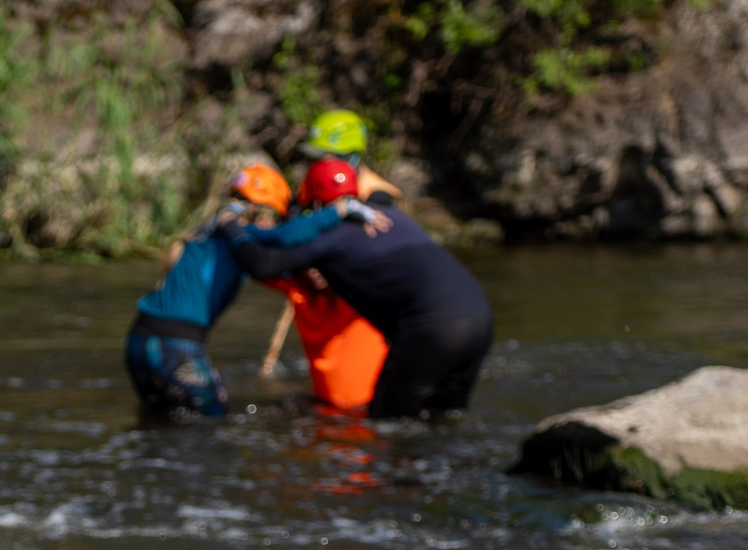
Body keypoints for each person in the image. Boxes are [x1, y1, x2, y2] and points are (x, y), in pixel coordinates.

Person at [223, 157, 493, 421]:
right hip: (480, 317)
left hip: (429, 329)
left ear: (315, 204)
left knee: (388, 424)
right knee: (445, 420)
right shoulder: (391, 216)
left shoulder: (327, 235)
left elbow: (263, 265)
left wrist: (229, 225)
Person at [124, 162, 376, 419]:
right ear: (260, 211)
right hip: (176, 347)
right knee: (211, 422)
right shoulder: (236, 231)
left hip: (139, 340)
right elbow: (285, 236)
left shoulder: (207, 235)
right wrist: (341, 210)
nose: (272, 223)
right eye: (274, 217)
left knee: (160, 421)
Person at [268, 159, 389, 413]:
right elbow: (257, 256)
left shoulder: (368, 283)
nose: (317, 269)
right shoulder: (299, 289)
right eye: (311, 259)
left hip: (371, 412)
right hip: (332, 415)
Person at [300, 109, 402, 205]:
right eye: (310, 159)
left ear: (348, 157)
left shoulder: (376, 196)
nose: (312, 165)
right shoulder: (311, 188)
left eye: (319, 158)